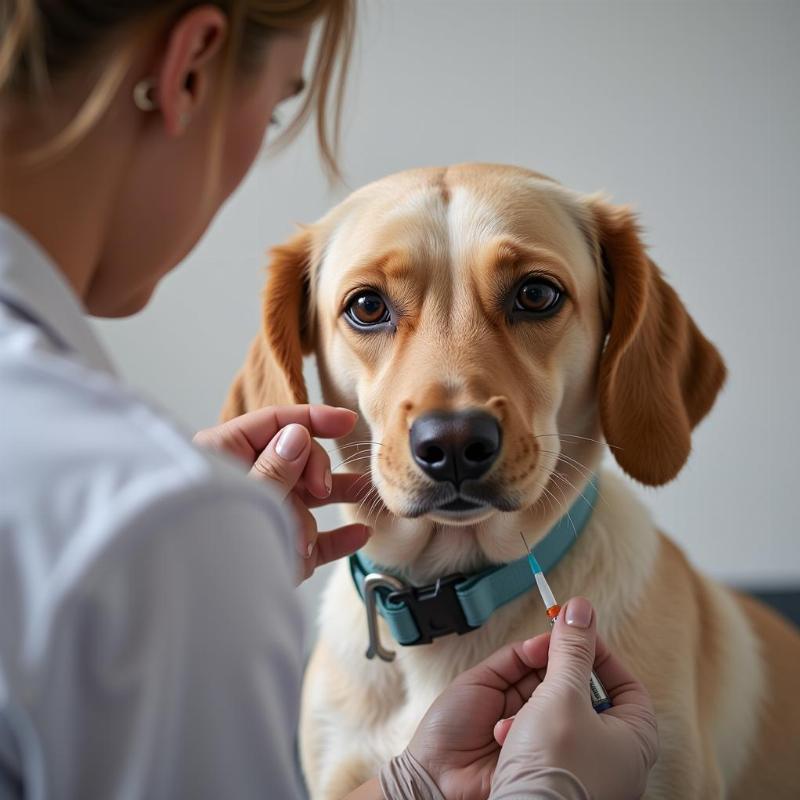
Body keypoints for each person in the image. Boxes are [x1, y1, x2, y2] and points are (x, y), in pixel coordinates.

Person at [0, 2, 657, 798]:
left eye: (534, 297)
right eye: (371, 309)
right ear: (191, 67)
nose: (452, 419)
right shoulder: (152, 519)